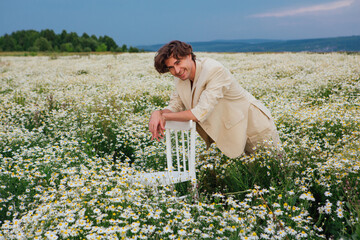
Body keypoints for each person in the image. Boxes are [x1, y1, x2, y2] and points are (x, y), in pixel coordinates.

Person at [148, 40, 280, 158]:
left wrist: (164, 117)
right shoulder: (180, 78)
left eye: (178, 62)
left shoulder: (214, 70)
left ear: (189, 56)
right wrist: (157, 113)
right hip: (229, 133)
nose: (176, 70)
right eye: (171, 67)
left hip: (254, 127)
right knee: (249, 180)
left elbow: (200, 113)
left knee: (276, 172)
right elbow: (175, 106)